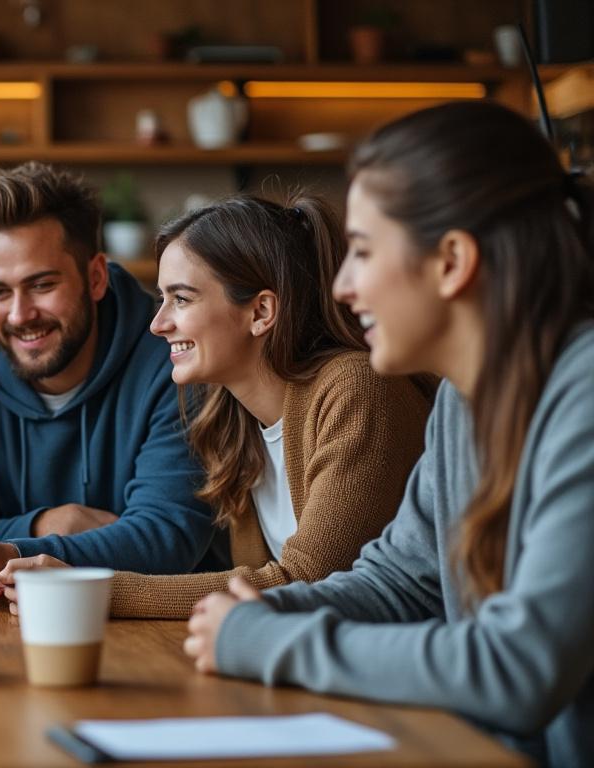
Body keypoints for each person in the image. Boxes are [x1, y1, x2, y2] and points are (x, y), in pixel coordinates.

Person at [183, 101, 594, 766]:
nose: (342, 287)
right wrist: (264, 610)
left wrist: (265, 643)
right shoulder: (461, 402)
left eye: (364, 253)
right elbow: (399, 582)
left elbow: (519, 667)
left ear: (452, 261)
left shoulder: (584, 395)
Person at [0, 192, 432, 618]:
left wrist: (90, 589)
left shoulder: (357, 390)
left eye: (181, 298)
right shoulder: (228, 417)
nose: (158, 324)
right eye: (162, 299)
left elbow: (308, 583)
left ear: (260, 312)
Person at [0, 162, 218, 589]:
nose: (19, 314)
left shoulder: (175, 363)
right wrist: (48, 525)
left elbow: (168, 538)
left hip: (160, 630)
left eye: (41, 285)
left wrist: (8, 550)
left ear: (94, 278)